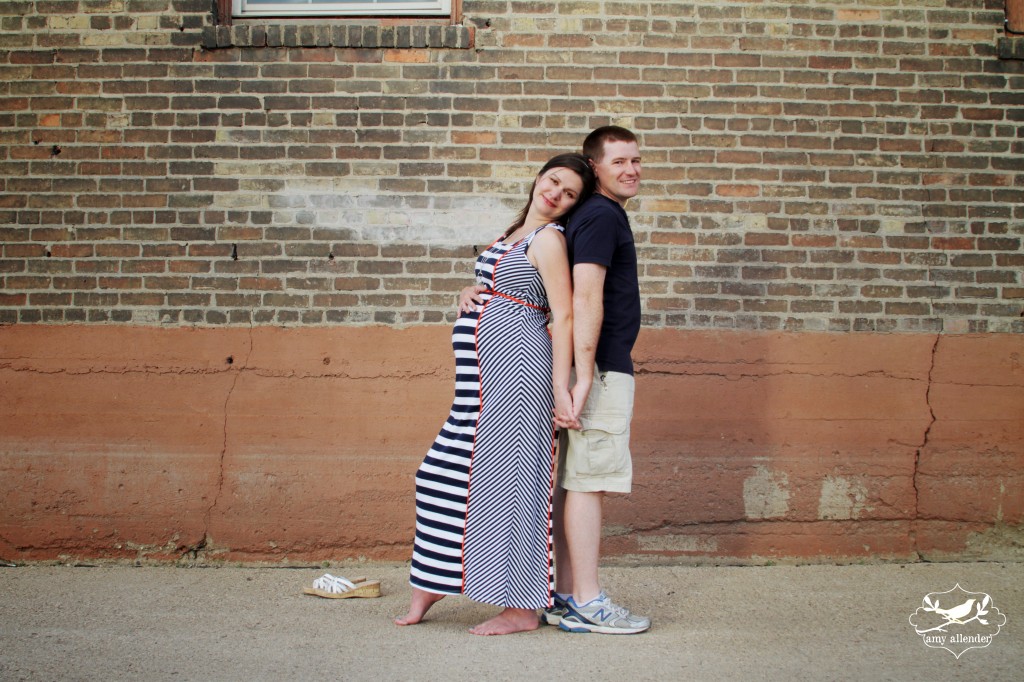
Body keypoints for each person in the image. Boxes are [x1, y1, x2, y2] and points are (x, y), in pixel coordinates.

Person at [395, 153, 596, 636]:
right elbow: (507, 284)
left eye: (569, 194)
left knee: (514, 487)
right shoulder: (513, 234)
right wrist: (471, 289)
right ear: (538, 177)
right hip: (482, 384)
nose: (556, 195)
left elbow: (563, 315)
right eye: (553, 182)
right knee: (438, 475)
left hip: (517, 377)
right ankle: (433, 578)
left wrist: (562, 387)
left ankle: (522, 608)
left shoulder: (548, 240)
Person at [548, 126, 651, 634]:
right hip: (600, 370)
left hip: (588, 368)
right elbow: (586, 297)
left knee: (574, 483)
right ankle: (588, 602)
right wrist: (585, 377)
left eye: (636, 160)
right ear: (596, 167)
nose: (631, 169)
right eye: (619, 162)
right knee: (590, 483)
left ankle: (566, 594)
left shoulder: (587, 215)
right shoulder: (602, 215)